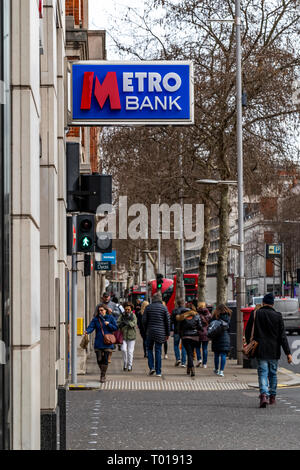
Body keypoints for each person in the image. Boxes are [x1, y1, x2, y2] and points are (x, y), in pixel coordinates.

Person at [245, 292, 292, 408]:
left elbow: (248, 330)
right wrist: (288, 353)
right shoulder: (278, 316)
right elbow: (282, 336)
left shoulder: (256, 313)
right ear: (273, 304)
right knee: (273, 374)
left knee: (262, 373)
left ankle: (264, 395)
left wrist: (249, 343)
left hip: (260, 349)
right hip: (274, 350)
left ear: (263, 302)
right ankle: (272, 396)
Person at [85, 304, 118, 383]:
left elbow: (116, 328)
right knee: (99, 359)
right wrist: (87, 331)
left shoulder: (110, 318)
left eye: (102, 310)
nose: (101, 312)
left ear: (106, 310)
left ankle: (102, 375)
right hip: (99, 341)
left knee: (105, 359)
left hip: (108, 342)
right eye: (99, 310)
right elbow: (91, 327)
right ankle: (103, 372)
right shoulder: (96, 319)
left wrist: (108, 324)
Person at [142, 292, 170, 377]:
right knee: (158, 351)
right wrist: (167, 333)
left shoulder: (148, 308)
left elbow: (144, 321)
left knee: (149, 349)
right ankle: (158, 372)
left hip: (150, 332)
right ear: (160, 299)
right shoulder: (164, 308)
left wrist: (146, 330)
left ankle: (151, 368)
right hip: (160, 332)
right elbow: (167, 321)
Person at [176, 305, 203, 377]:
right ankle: (189, 368)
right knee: (190, 353)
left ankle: (192, 368)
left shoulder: (182, 317)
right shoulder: (196, 316)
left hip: (185, 337)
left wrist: (181, 336)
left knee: (189, 353)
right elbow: (200, 327)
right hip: (194, 337)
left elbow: (179, 329)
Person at [211, 304, 232, 377]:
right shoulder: (228, 316)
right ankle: (221, 371)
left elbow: (211, 325)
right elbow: (230, 327)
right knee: (223, 354)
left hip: (216, 336)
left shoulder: (215, 316)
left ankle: (216, 369)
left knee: (216, 354)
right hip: (225, 336)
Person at [117, 302, 137, 372]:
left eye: (128, 309)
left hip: (131, 336)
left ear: (131, 309)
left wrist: (128, 323)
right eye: (126, 309)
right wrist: (121, 324)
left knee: (130, 352)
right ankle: (125, 363)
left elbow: (134, 323)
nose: (127, 311)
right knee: (123, 349)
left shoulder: (133, 315)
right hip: (123, 335)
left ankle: (130, 365)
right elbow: (118, 322)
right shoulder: (122, 315)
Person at [171, 299, 187, 367]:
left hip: (177, 330)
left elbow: (171, 320)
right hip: (184, 331)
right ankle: (183, 362)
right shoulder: (186, 310)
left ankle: (178, 358)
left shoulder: (174, 311)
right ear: (183, 303)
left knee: (176, 345)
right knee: (184, 346)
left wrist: (171, 329)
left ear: (177, 303)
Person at [196, 301, 212, 368]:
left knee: (197, 347)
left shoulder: (196, 314)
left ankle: (199, 359)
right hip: (206, 332)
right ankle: (204, 364)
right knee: (205, 348)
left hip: (198, 332)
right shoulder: (208, 314)